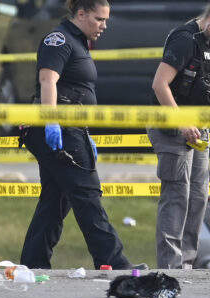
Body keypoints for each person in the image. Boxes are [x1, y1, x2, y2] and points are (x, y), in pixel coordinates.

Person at [19, 0, 142, 270]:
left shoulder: (78, 42)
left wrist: (85, 133)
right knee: (87, 194)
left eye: (106, 20)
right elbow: (47, 80)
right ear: (82, 14)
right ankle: (114, 263)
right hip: (60, 129)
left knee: (55, 200)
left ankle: (33, 263)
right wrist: (51, 121)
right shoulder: (59, 39)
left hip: (72, 129)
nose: (104, 26)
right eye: (99, 19)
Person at [148, 0, 210, 269]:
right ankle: (170, 267)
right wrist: (181, 122)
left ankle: (187, 264)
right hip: (171, 126)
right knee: (177, 196)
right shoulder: (185, 40)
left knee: (198, 197)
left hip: (199, 127)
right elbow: (160, 84)